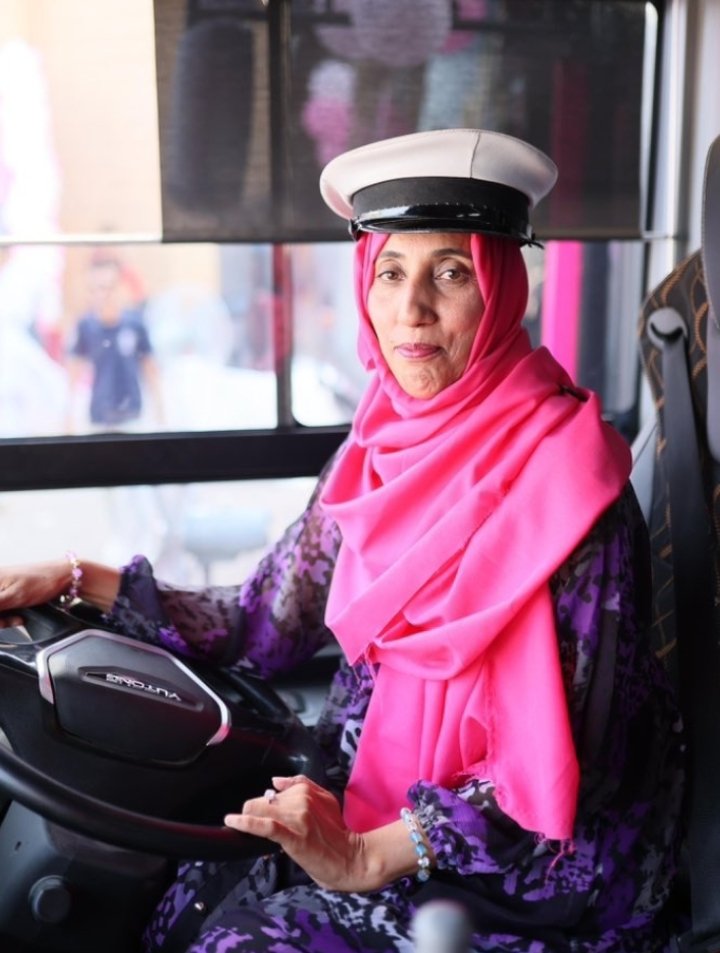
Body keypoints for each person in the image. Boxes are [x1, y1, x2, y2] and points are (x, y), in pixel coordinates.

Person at [0, 128, 684, 952]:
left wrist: (366, 855)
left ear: (503, 288)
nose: (412, 309)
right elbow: (267, 621)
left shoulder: (578, 490)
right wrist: (76, 577)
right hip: (359, 798)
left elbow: (577, 766)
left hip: (525, 878)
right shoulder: (372, 448)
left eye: (452, 273)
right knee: (169, 896)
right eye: (391, 272)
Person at [66, 251, 164, 431]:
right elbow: (74, 370)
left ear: (119, 287)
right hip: (99, 417)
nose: (102, 294)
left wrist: (160, 408)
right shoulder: (86, 326)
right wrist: (68, 414)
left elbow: (149, 366)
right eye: (96, 288)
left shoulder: (135, 324)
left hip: (132, 416)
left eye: (108, 287)